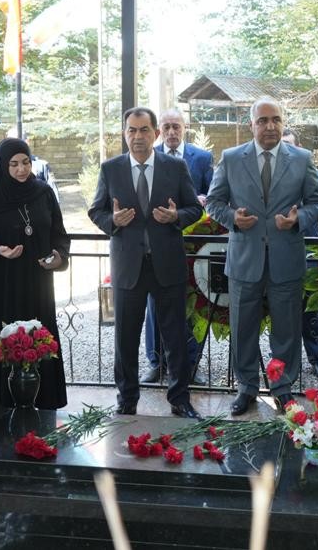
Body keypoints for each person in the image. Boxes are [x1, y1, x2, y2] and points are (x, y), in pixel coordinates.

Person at [206, 98, 318, 415]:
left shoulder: (301, 159)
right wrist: (233, 218)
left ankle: (282, 388)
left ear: (283, 122)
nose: (270, 126)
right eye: (263, 120)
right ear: (252, 125)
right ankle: (246, 388)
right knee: (243, 328)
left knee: (286, 330)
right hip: (245, 259)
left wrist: (298, 219)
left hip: (286, 259)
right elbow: (214, 202)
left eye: (275, 119)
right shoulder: (231, 158)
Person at [89, 107, 204, 418]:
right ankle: (126, 400)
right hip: (129, 269)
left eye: (143, 130)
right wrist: (112, 220)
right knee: (126, 339)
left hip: (167, 266)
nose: (137, 137)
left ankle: (180, 399)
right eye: (131, 130)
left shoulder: (175, 167)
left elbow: (195, 209)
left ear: (155, 133)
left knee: (175, 338)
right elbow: (95, 211)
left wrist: (176, 216)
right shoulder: (110, 169)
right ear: (125, 134)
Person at [0, 138, 70, 410]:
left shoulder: (43, 193)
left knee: (37, 338)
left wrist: (58, 257)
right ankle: (1, 408)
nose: (21, 169)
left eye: (25, 162)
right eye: (13, 164)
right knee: (2, 341)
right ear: (2, 165)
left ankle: (42, 403)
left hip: (36, 283)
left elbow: (59, 235)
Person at [141, 107, 215, 384]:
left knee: (193, 303)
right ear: (159, 130)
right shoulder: (149, 155)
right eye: (167, 127)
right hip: (157, 243)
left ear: (185, 128)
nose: (172, 132)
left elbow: (214, 193)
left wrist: (203, 199)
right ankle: (156, 362)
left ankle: (190, 364)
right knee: (154, 305)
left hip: (193, 243)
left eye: (177, 127)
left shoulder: (202, 157)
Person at [282, 128, 318, 379]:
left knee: (311, 310)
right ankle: (283, 364)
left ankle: (317, 357)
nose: (287, 151)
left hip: (309, 251)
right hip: (279, 252)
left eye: (291, 145)